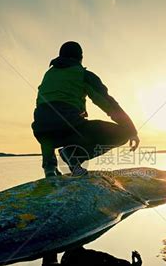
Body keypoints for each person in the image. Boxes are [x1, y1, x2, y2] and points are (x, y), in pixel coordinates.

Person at [32, 41, 140, 177]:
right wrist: (131, 130)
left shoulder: (49, 75)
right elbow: (107, 103)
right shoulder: (83, 74)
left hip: (41, 130)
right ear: (80, 58)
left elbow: (45, 114)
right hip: (68, 127)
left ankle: (50, 168)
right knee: (123, 133)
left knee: (48, 121)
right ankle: (73, 155)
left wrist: (49, 164)